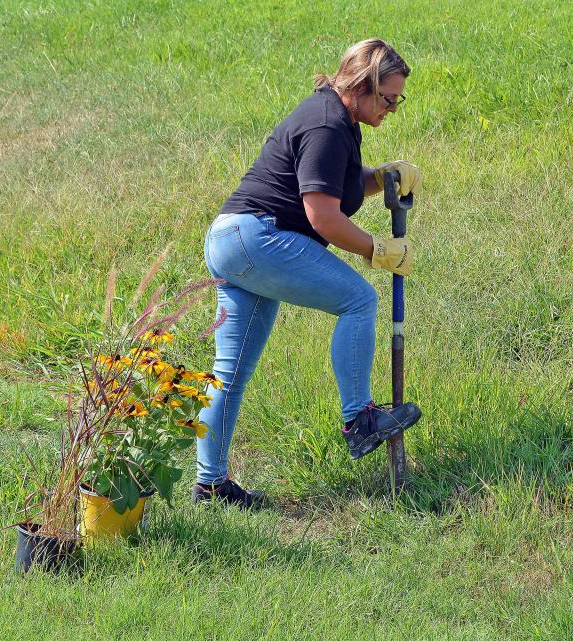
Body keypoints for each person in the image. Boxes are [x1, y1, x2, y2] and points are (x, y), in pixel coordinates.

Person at [192, 38, 423, 508]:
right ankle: (359, 421)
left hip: (232, 239)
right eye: (388, 99)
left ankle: (210, 485)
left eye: (399, 100)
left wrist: (380, 176)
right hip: (257, 238)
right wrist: (376, 250)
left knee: (230, 373)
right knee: (359, 299)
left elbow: (334, 183)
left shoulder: (337, 119)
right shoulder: (327, 125)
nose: (393, 109)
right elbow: (322, 217)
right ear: (361, 85)